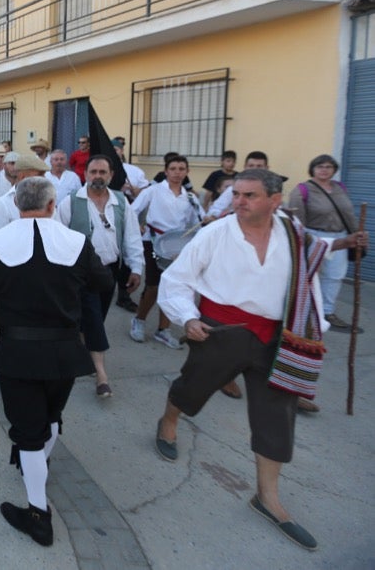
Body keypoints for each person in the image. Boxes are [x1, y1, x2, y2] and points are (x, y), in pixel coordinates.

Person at [153, 169, 366, 551]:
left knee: (276, 416)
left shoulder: (293, 234)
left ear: (274, 200)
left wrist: (347, 242)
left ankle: (267, 498)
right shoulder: (215, 233)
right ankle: (168, 421)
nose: (239, 202)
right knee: (192, 387)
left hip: (278, 337)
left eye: (249, 195)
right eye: (236, 194)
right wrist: (188, 317)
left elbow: (314, 257)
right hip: (221, 331)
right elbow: (177, 280)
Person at [0, 177, 113, 547]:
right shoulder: (76, 243)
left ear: (18, 206)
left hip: (18, 351)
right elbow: (102, 282)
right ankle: (37, 471)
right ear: (52, 206)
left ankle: (38, 514)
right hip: (66, 351)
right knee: (50, 418)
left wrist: (5, 317)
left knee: (29, 432)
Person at [57, 155, 144, 397]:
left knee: (96, 316)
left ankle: (83, 350)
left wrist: (136, 267)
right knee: (94, 317)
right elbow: (57, 234)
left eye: (102, 172)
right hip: (81, 272)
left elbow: (132, 237)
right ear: (85, 174)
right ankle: (101, 374)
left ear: (111, 175)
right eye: (93, 171)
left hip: (110, 270)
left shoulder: (121, 202)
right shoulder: (70, 202)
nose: (97, 176)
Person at [130, 155, 205, 348]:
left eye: (181, 169)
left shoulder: (190, 197)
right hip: (153, 242)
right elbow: (132, 210)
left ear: (187, 172)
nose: (177, 172)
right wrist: (137, 225)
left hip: (177, 249)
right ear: (166, 171)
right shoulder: (153, 191)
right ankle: (139, 320)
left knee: (172, 287)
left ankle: (163, 330)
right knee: (154, 285)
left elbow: (197, 222)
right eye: (173, 168)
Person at [288, 154, 362, 334]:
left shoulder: (340, 188)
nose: (324, 170)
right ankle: (306, 312)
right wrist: (302, 241)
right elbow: (298, 219)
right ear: (312, 169)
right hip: (315, 236)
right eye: (320, 166)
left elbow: (348, 214)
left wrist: (355, 235)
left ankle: (327, 312)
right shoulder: (302, 190)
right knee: (309, 276)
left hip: (340, 237)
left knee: (335, 276)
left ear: (334, 170)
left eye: (328, 167)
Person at [0, 152, 50, 237]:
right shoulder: (2, 205)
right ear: (23, 177)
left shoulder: (47, 203)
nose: (44, 179)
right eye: (40, 175)